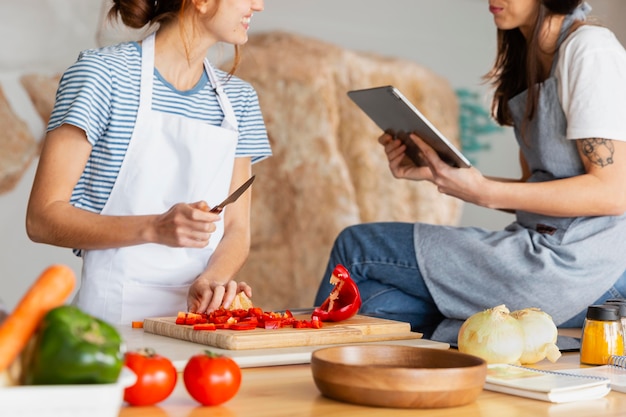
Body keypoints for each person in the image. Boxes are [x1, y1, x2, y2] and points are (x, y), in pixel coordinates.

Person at [314, 0, 626, 338]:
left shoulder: (590, 49)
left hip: (578, 267)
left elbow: (613, 192)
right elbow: (535, 190)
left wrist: (482, 190)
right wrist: (443, 174)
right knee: (377, 305)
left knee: (357, 248)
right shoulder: (531, 62)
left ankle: (301, 372)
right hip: (539, 249)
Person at [26, 0, 270, 325]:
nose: (259, 5)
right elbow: (41, 219)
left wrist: (213, 280)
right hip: (109, 328)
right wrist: (154, 227)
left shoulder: (239, 100)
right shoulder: (103, 76)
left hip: (198, 324)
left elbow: (237, 229)